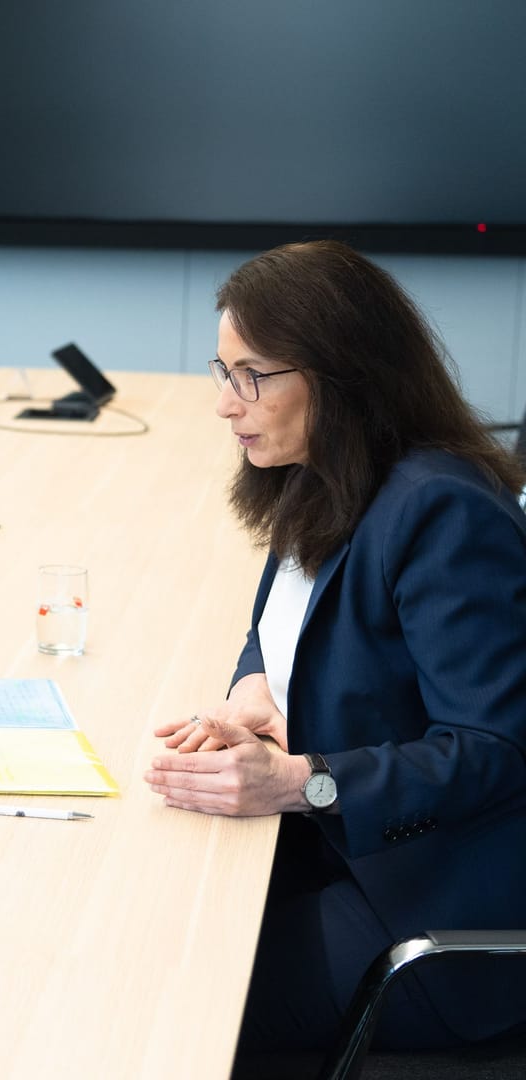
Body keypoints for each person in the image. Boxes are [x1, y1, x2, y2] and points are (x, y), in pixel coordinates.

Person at [143, 241, 526, 1055]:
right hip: (340, 851)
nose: (226, 403)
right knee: (145, 917)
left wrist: (301, 782)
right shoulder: (323, 473)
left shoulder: (442, 514)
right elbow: (278, 624)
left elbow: (497, 750)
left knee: (184, 999)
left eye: (252, 375)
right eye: (223, 371)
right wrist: (255, 688)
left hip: (430, 904)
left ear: (341, 373)